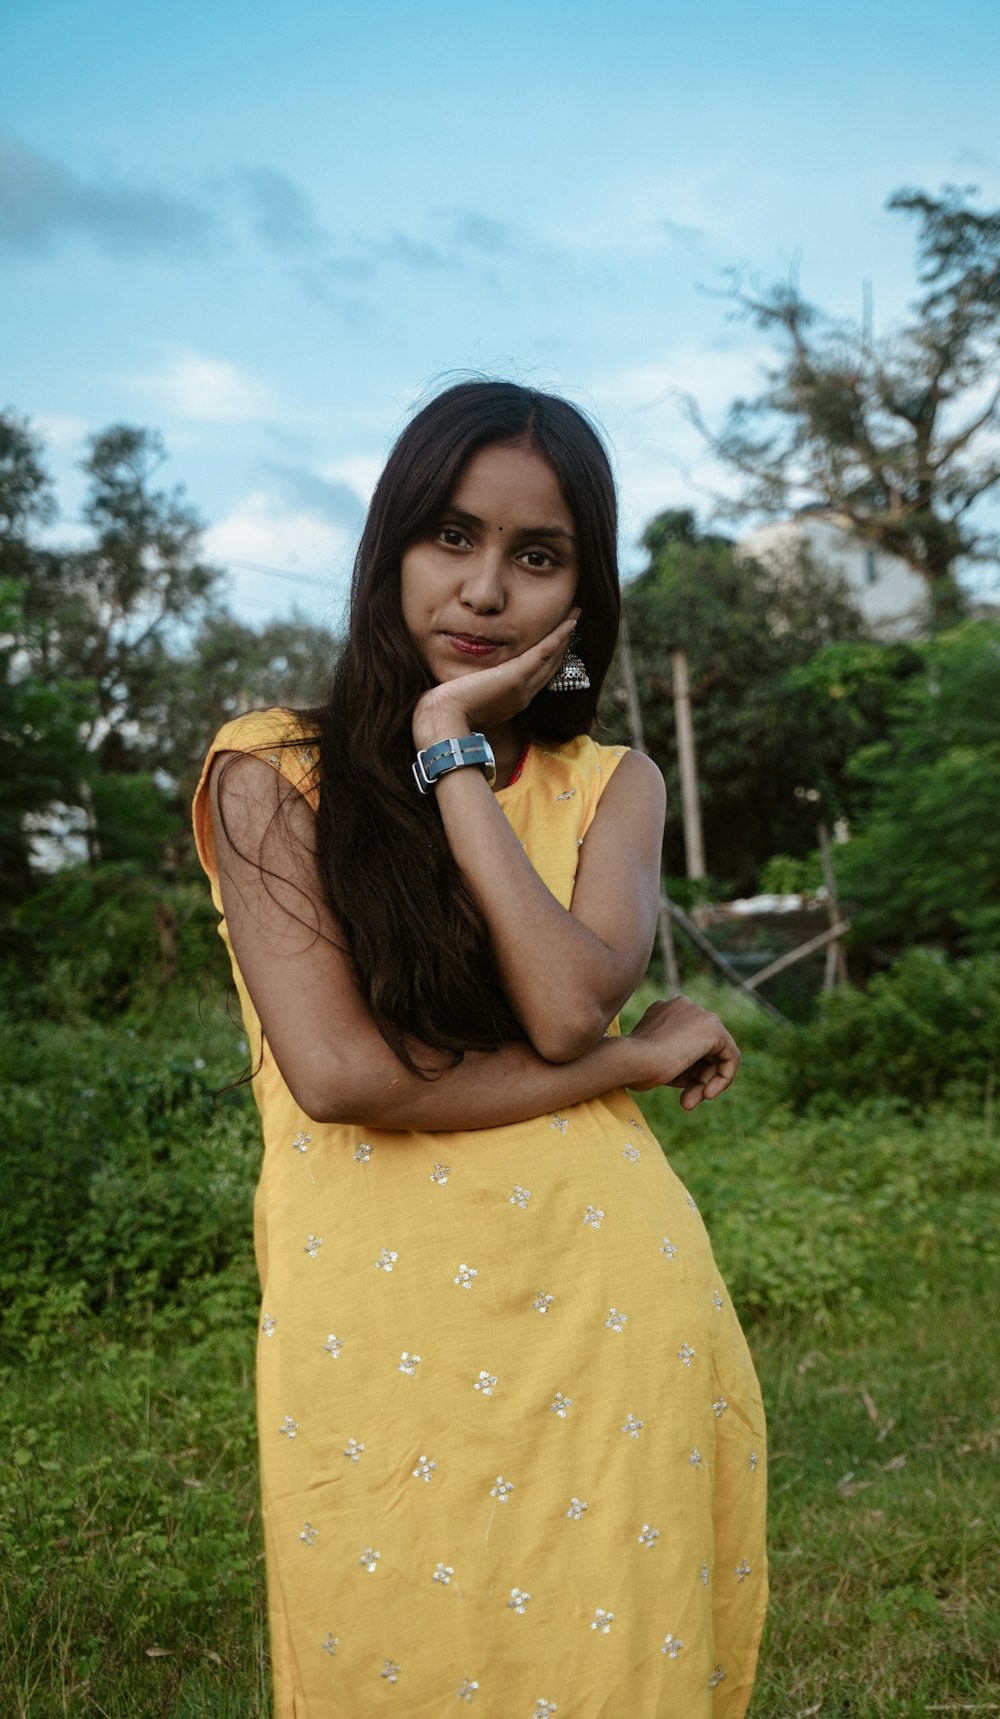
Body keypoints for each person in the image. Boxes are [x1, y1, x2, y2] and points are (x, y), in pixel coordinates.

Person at [193, 379, 767, 1719]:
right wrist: (631, 1064)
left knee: (619, 1673)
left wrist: (450, 752)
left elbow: (566, 1004)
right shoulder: (269, 772)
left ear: (582, 597)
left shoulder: (616, 784)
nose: (485, 588)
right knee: (386, 1656)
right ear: (391, 546)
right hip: (375, 1327)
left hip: (608, 1312)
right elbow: (342, 1076)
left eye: (536, 554)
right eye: (453, 537)